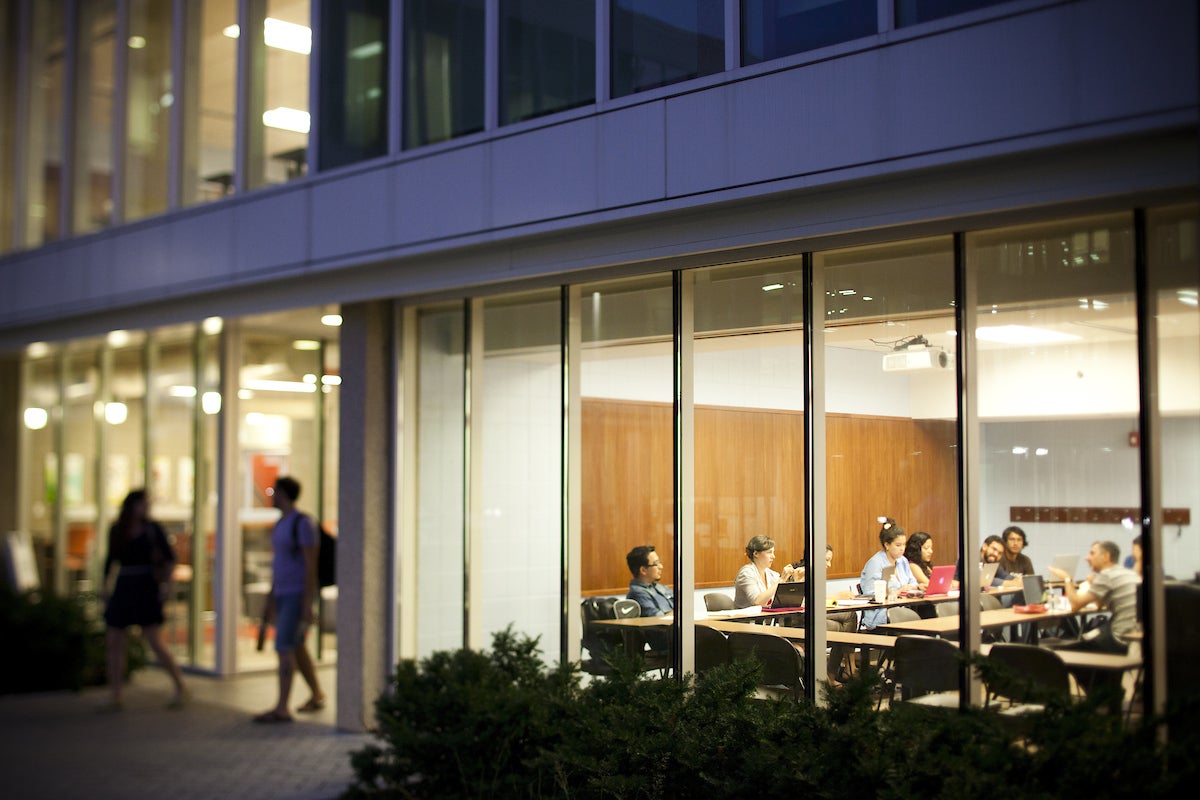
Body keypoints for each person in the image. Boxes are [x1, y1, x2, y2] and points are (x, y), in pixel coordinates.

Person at [101, 489, 188, 711]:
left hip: (144, 585)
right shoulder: (118, 530)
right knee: (114, 639)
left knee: (153, 640)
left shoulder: (152, 529)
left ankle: (180, 685)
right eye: (142, 503)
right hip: (124, 584)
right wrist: (105, 586)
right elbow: (110, 560)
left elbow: (169, 558)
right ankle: (115, 694)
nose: (146, 507)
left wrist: (166, 586)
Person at [254, 476, 326, 723]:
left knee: (284, 645)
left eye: (274, 491)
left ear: (283, 493)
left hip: (297, 593)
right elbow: (279, 564)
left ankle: (282, 707)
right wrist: (271, 597)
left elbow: (310, 563)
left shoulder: (303, 523)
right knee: (296, 645)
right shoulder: (281, 523)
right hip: (284, 592)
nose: (271, 495)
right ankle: (316, 693)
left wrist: (307, 602)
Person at [1048, 541, 1139, 654]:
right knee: (1086, 637)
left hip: (1120, 636)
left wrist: (1067, 578)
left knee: (1063, 652)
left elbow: (1075, 605)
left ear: (1106, 556)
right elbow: (1099, 605)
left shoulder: (1107, 575)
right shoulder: (1125, 573)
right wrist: (1094, 584)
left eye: (1092, 553)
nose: (1087, 558)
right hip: (1135, 633)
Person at [858, 519, 918, 630]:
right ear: (887, 545)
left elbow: (913, 581)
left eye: (904, 545)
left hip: (903, 606)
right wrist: (899, 591)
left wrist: (913, 588)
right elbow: (870, 593)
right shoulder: (876, 562)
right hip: (881, 611)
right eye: (898, 545)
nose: (902, 549)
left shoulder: (903, 561)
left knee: (924, 613)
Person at [733, 535, 800, 608]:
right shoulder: (746, 573)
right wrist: (782, 579)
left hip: (767, 618)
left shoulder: (773, 574)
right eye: (769, 552)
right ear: (756, 554)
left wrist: (796, 580)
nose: (773, 556)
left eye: (773, 552)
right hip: (746, 618)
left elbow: (785, 601)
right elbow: (757, 601)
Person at [625, 545, 675, 617]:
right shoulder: (637, 593)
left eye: (659, 562)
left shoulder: (661, 587)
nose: (661, 567)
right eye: (656, 564)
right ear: (643, 570)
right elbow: (658, 618)